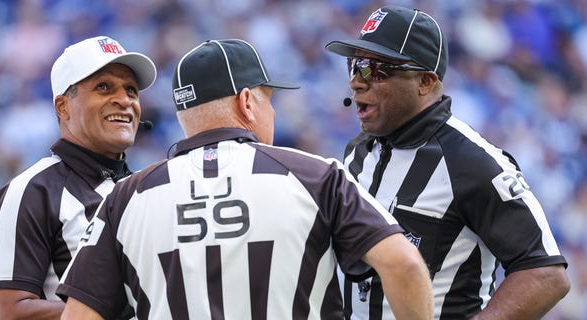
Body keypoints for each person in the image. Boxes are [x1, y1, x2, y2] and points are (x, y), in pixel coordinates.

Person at [57, 38, 433, 320]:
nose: (272, 112)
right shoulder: (317, 175)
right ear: (247, 102)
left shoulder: (126, 197)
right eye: (268, 100)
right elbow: (405, 266)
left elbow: (80, 315)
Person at [324, 5, 571, 320]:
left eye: (376, 68)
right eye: (354, 65)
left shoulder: (474, 162)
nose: (357, 81)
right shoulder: (357, 151)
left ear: (425, 83)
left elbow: (546, 274)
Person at [0, 35, 157, 319]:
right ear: (63, 106)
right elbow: (10, 312)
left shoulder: (149, 185)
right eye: (103, 87)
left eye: (131, 90)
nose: (124, 100)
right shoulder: (30, 191)